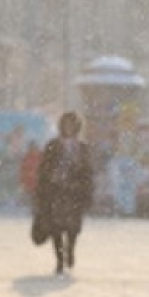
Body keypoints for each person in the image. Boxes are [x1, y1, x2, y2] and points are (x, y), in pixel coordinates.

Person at [36, 111, 95, 275]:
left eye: (72, 124)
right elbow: (44, 168)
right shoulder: (53, 145)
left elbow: (88, 172)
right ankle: (59, 260)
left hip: (74, 192)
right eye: (66, 124)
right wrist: (45, 187)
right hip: (56, 191)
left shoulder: (82, 147)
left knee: (72, 228)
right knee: (56, 227)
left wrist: (86, 189)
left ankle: (70, 250)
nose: (69, 127)